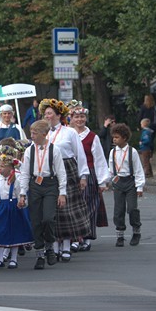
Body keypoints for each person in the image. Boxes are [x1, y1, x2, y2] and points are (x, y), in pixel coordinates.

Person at [39, 98, 91, 261]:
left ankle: (67, 246)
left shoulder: (70, 132)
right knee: (51, 210)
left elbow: (80, 154)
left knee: (66, 209)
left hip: (67, 169)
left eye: (49, 113)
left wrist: (83, 176)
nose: (47, 116)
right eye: (45, 113)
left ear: (58, 114)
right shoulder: (42, 132)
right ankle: (54, 246)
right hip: (49, 171)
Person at [18, 120, 66, 269]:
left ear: (44, 134)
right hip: (34, 186)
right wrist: (22, 193)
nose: (31, 136)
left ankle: (50, 245)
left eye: (34, 133)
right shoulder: (29, 151)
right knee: (36, 221)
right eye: (31, 133)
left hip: (50, 185)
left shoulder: (54, 150)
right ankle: (39, 254)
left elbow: (61, 172)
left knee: (48, 218)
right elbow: (25, 173)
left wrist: (62, 192)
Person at [69, 102, 110, 251]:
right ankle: (74, 237)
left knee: (89, 206)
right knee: (72, 207)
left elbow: (99, 159)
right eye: (76, 117)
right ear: (71, 118)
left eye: (82, 117)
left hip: (90, 173)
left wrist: (102, 181)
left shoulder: (92, 137)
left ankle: (86, 237)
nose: (79, 120)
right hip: (72, 174)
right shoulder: (68, 134)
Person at [0, 146, 32, 269]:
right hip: (1, 208)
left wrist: (22, 202)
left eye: (2, 166)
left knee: (14, 232)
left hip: (13, 208)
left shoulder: (16, 180)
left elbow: (20, 193)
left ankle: (13, 259)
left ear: (10, 167)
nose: (0, 168)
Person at [108, 123, 145, 247]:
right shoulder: (112, 152)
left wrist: (139, 186)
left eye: (117, 137)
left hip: (130, 182)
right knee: (118, 210)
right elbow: (110, 169)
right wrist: (107, 181)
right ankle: (120, 235)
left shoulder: (132, 152)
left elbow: (138, 169)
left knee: (132, 208)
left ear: (124, 138)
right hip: (118, 182)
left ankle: (136, 231)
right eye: (113, 137)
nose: (114, 139)